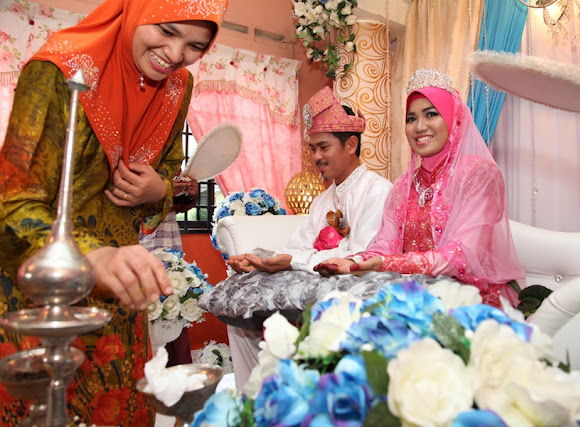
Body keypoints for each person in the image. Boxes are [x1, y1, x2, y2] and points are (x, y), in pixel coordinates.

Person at [0, 0, 227, 424]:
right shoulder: (58, 71)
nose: (175, 55)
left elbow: (169, 173)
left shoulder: (177, 86)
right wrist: (90, 255)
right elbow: (11, 205)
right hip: (41, 297)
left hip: (117, 297)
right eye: (167, 31)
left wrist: (160, 189)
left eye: (196, 45)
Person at [225, 86, 392, 389]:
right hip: (314, 288)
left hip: (354, 294)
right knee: (239, 300)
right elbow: (296, 247)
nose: (316, 157)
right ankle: (253, 397)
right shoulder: (323, 200)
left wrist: (292, 261)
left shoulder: (377, 191)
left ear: (351, 144)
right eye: (312, 148)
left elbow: (360, 256)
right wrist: (259, 260)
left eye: (323, 147)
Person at [316, 68, 525, 307]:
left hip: (470, 301)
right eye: (411, 118)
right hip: (416, 296)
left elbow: (461, 256)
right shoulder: (403, 185)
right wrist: (355, 261)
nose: (419, 127)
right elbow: (385, 245)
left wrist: (387, 263)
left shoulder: (479, 175)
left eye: (431, 114)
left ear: (453, 119)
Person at [140, 173, 199, 366]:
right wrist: (162, 191)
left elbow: (179, 205)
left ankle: (176, 373)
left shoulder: (170, 161)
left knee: (172, 304)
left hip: (167, 239)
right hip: (134, 236)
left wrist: (188, 194)